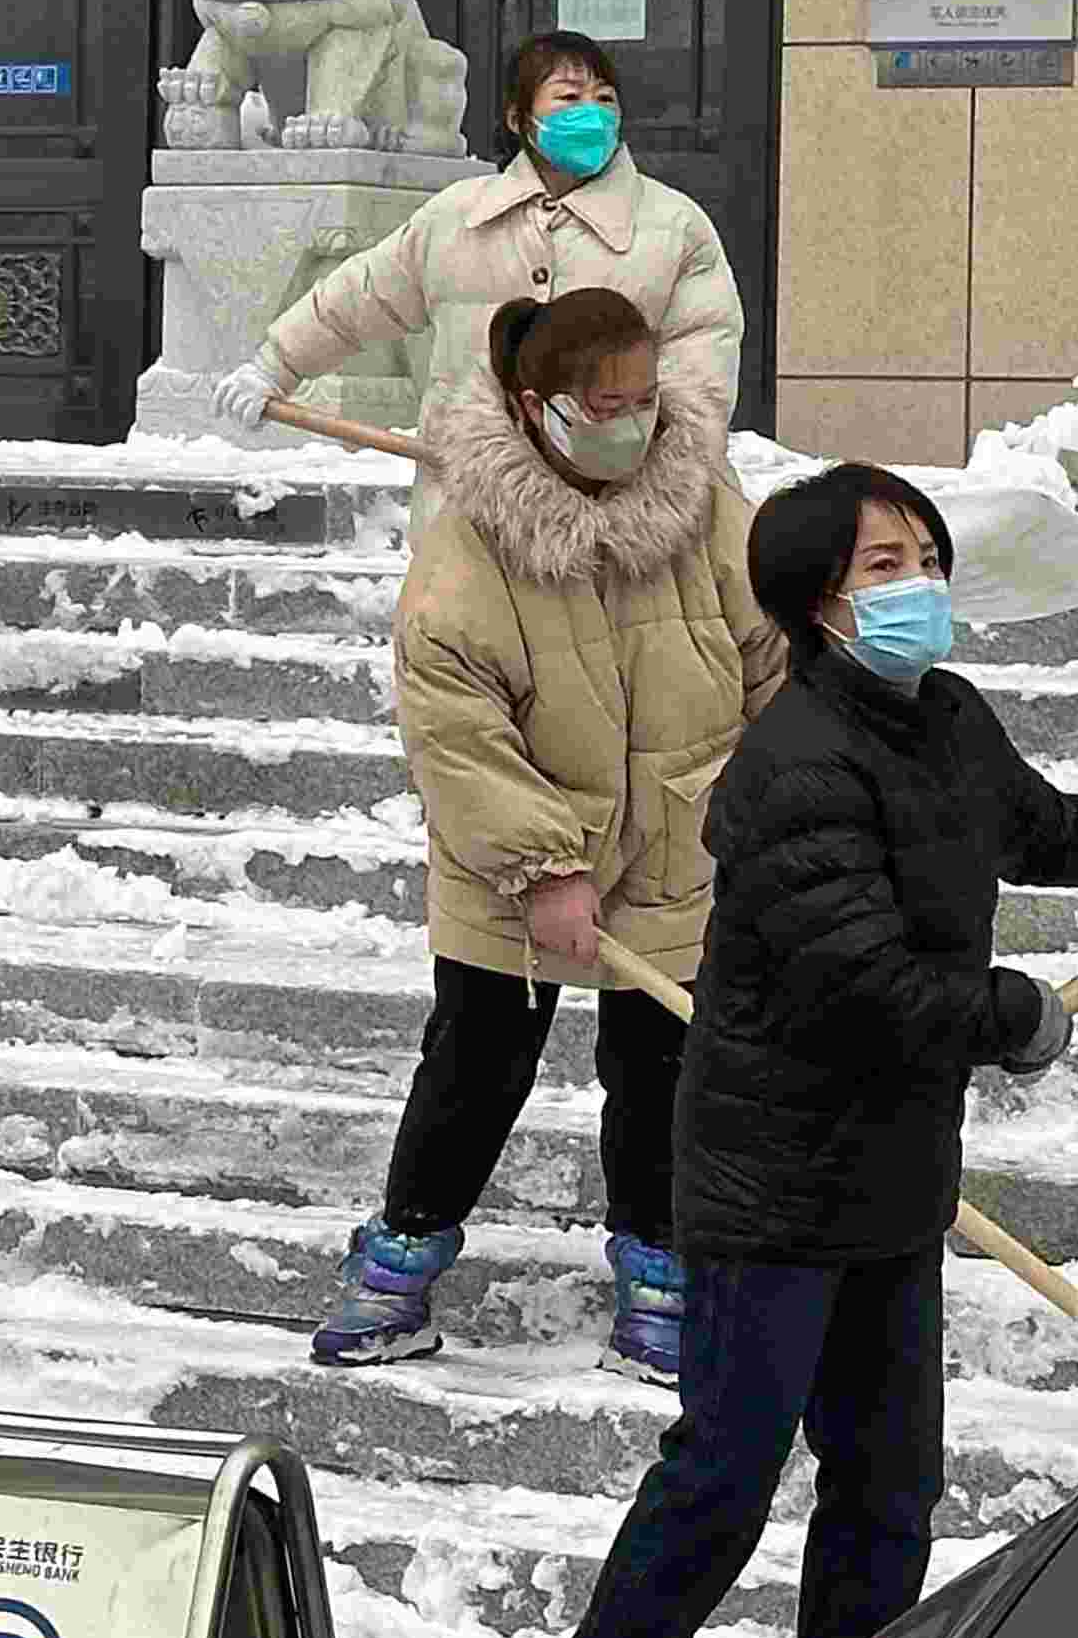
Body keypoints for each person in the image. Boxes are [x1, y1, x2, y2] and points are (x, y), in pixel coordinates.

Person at [530, 462, 1078, 1638]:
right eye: (882, 567)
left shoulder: (948, 720)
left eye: (926, 558)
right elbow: (864, 981)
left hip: (894, 1175)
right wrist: (1016, 1015)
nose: (918, 588)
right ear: (816, 600)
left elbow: (1045, 831)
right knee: (726, 1468)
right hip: (772, 1178)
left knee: (890, 1487)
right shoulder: (790, 764)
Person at [311, 291, 779, 1385]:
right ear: (536, 406)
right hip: (506, 866)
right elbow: (455, 732)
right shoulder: (468, 544)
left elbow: (770, 660)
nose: (633, 425)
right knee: (475, 1065)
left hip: (681, 839)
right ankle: (399, 1265)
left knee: (663, 1074)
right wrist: (543, 867)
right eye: (604, 407)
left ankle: (660, 1278)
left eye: (646, 400)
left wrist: (775, 799)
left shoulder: (707, 505)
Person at [218, 29, 744, 458]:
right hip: (466, 506)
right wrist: (274, 366)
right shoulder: (456, 218)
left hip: (620, 513)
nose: (593, 113)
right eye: (569, 98)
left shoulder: (674, 226)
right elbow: (359, 298)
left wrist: (640, 456)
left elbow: (703, 365)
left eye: (605, 99)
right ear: (520, 119)